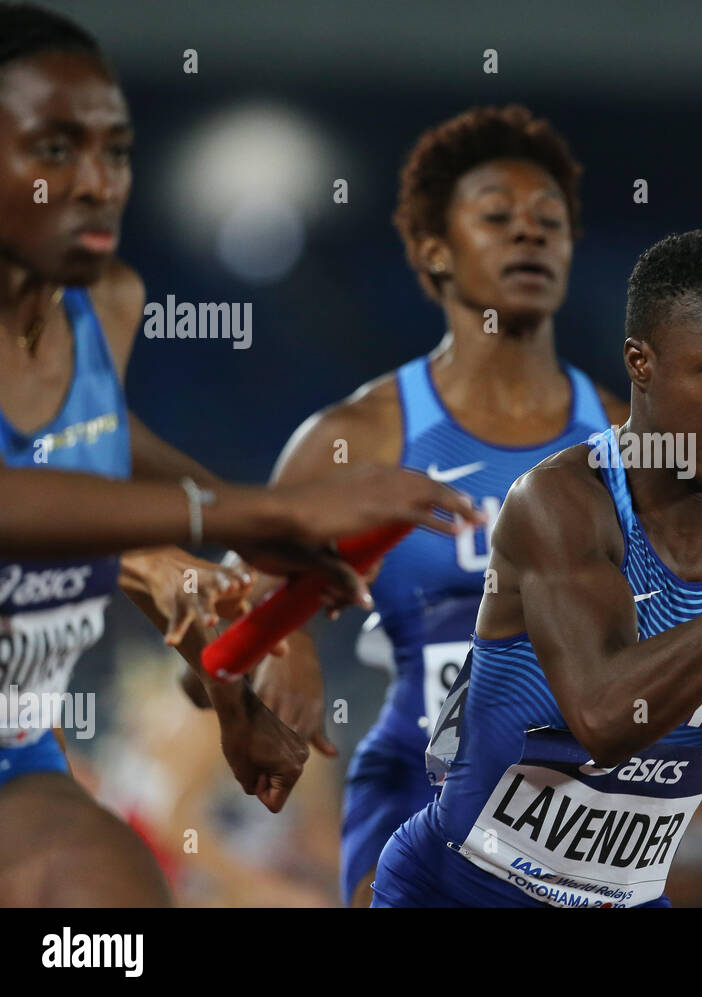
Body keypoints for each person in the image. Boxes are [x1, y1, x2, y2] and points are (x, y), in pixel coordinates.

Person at [0, 1, 477, 906]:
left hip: (18, 746)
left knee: (108, 914)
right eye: (55, 148)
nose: (98, 180)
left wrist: (233, 594)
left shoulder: (101, 306)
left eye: (117, 149)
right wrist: (257, 515)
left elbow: (87, 452)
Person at [371, 229, 702, 907]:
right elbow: (604, 719)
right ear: (641, 362)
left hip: (621, 895)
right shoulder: (560, 505)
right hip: (469, 884)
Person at [251, 105, 628, 906]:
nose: (528, 234)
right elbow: (228, 609)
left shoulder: (626, 442)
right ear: (433, 249)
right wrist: (289, 646)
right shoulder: (362, 434)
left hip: (575, 804)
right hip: (414, 784)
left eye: (548, 221)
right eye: (496, 217)